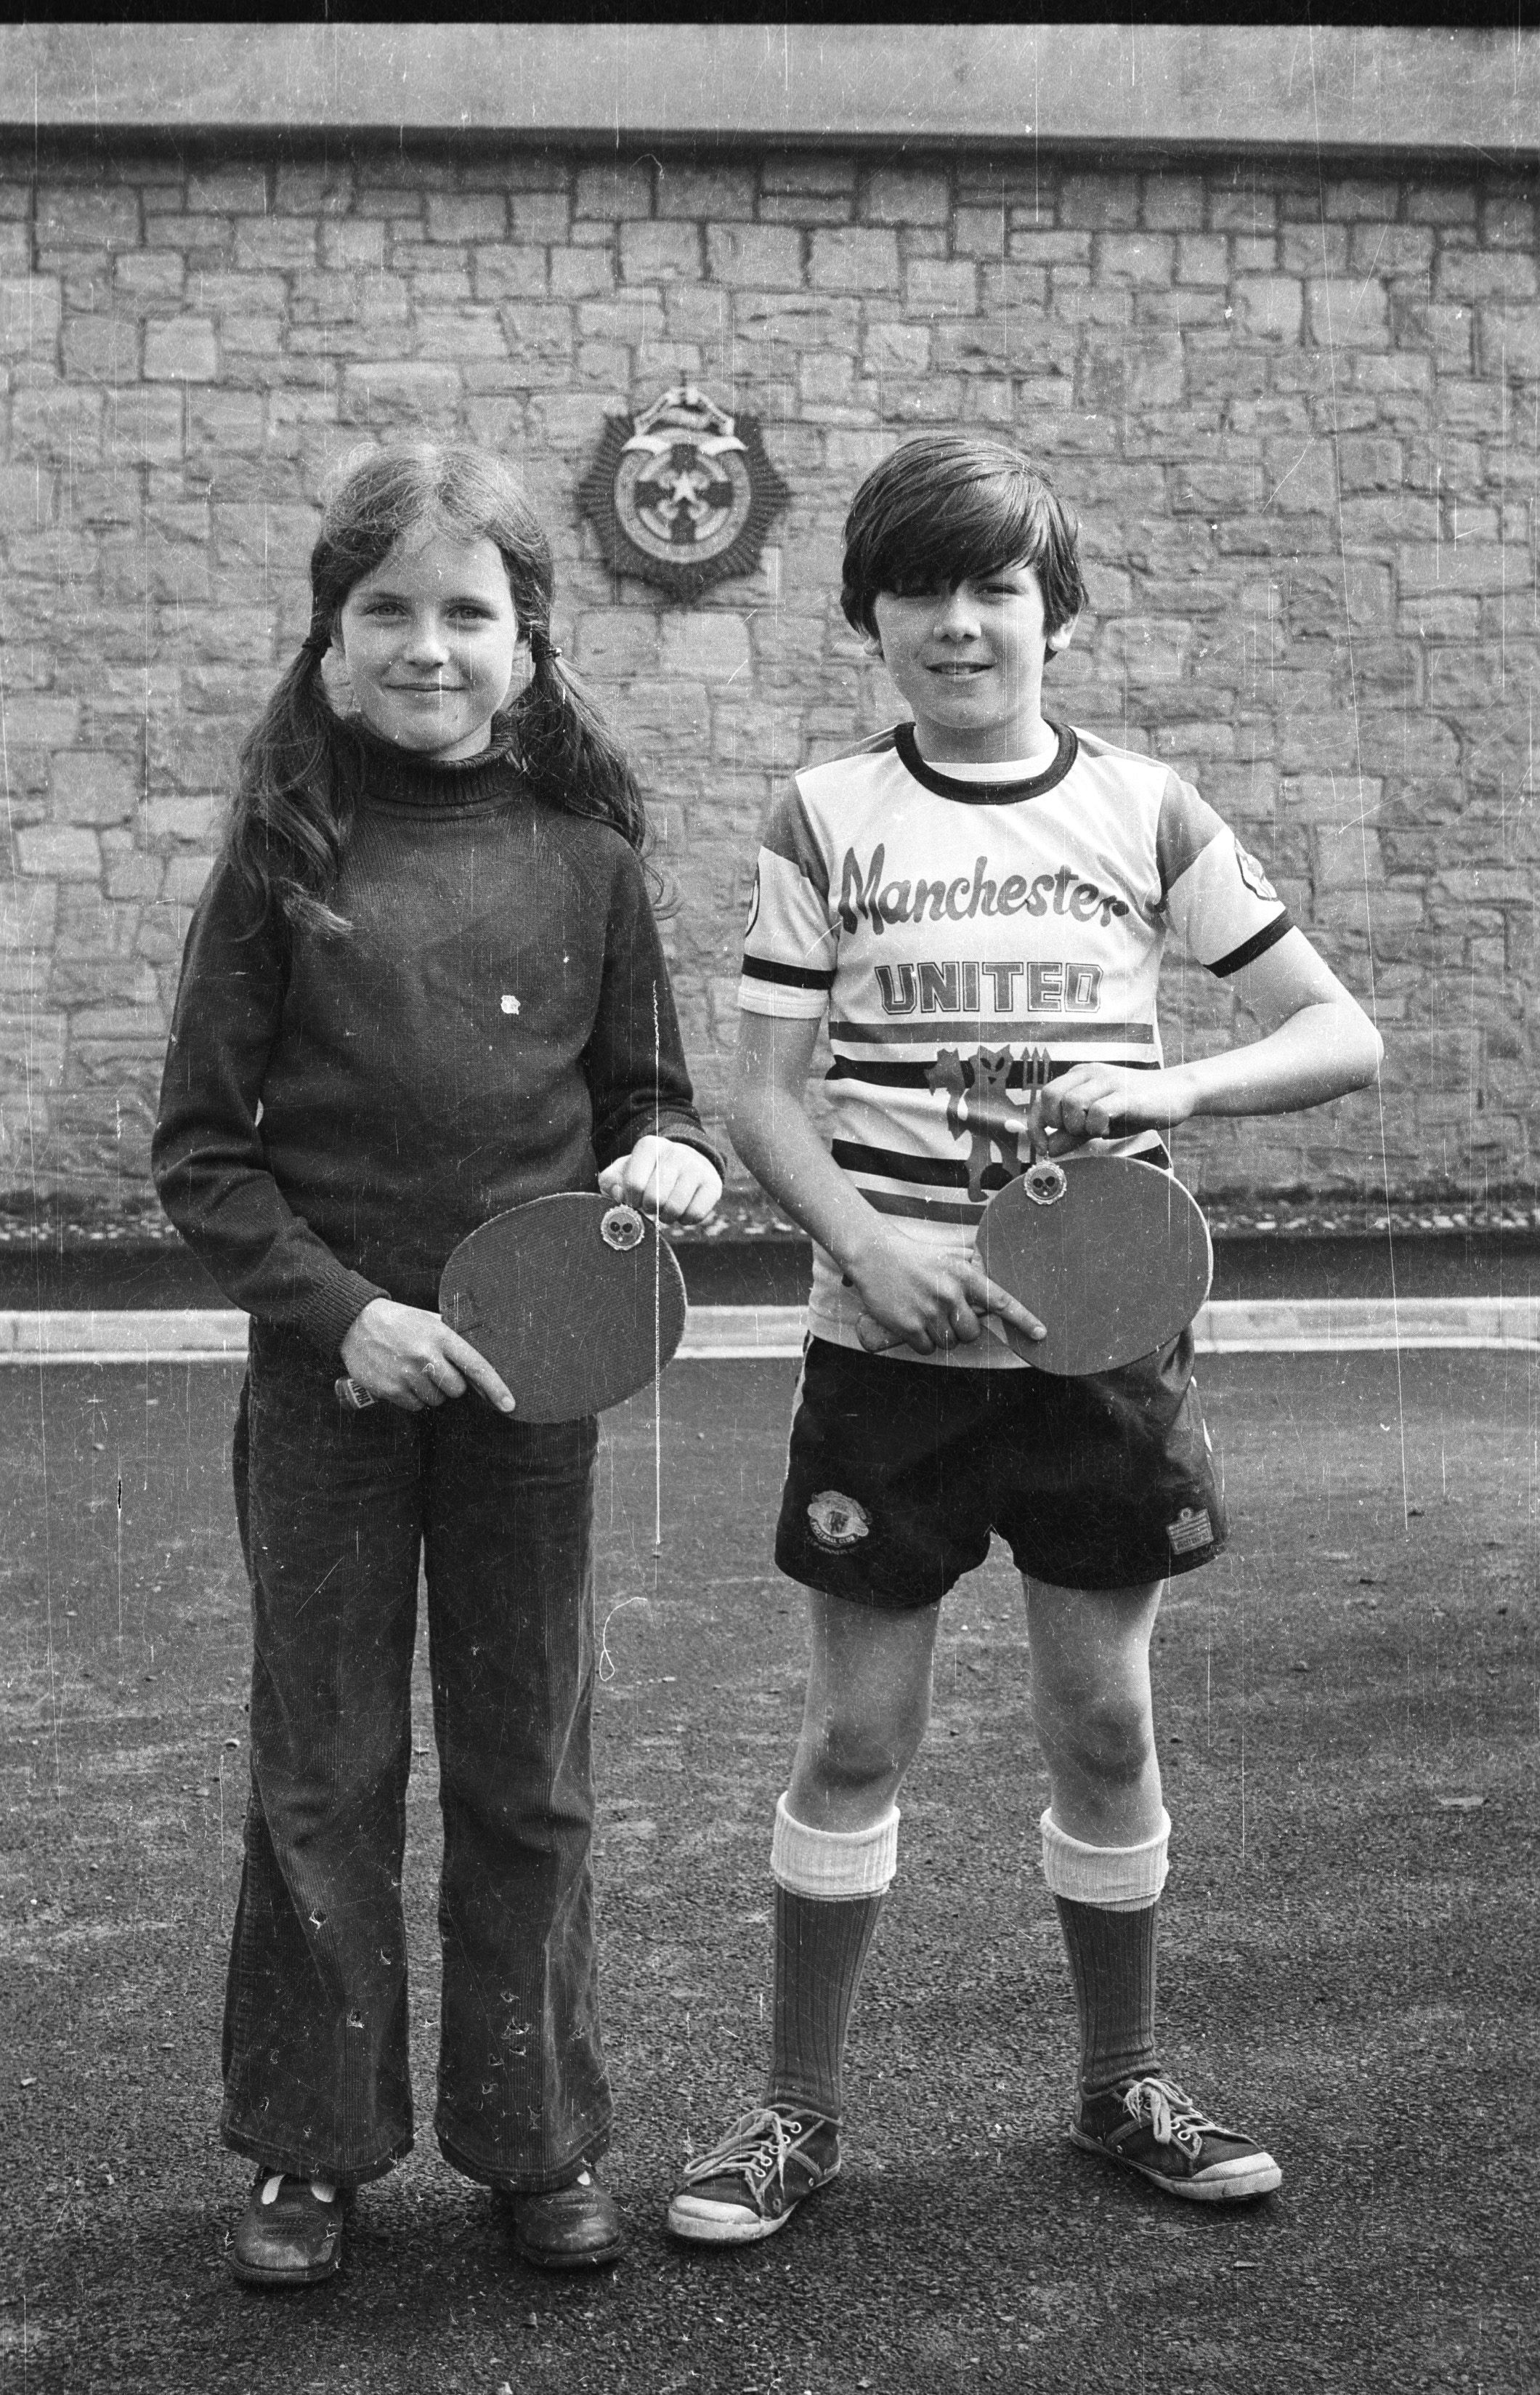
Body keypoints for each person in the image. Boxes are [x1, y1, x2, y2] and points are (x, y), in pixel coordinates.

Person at [667, 430, 1383, 2245]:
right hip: (888, 1355)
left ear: (1055, 613)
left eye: (995, 588)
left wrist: (1173, 1086)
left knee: (1105, 1721)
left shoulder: (1145, 808)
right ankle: (794, 2110)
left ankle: (1120, 2084)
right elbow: (764, 1096)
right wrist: (863, 1246)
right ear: (871, 617)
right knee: (855, 1737)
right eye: (919, 590)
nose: (958, 624)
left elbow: (1338, 1033)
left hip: (1096, 1356)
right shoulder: (823, 814)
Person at [153, 442, 721, 2287]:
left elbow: (652, 1108)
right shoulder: (280, 863)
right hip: (330, 1390)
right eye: (384, 609)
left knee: (527, 1768)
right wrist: (344, 1316)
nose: (426, 644)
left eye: (467, 612)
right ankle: (309, 2147)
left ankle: (534, 2137)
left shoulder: (592, 865)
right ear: (330, 644)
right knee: (321, 1769)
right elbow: (203, 1157)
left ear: (529, 646)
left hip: (529, 1400)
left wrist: (671, 1164)